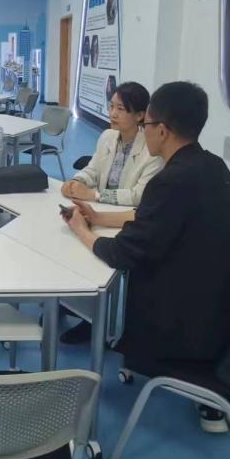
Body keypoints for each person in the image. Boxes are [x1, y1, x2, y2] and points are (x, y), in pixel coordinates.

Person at [62, 81, 230, 433]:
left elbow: (123, 253)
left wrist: (82, 230)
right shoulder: (210, 165)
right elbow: (156, 220)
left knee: (115, 276)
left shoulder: (171, 180)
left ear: (162, 130)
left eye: (146, 124)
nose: (144, 131)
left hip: (202, 325)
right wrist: (99, 218)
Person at [58, 81, 163, 343]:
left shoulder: (151, 149)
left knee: (96, 258)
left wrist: (94, 195)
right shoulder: (107, 136)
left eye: (121, 109)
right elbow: (93, 170)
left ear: (140, 115)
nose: (113, 113)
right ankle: (69, 303)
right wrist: (77, 182)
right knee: (68, 243)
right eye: (111, 106)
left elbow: (138, 195)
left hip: (125, 218)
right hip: (98, 210)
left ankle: (93, 322)